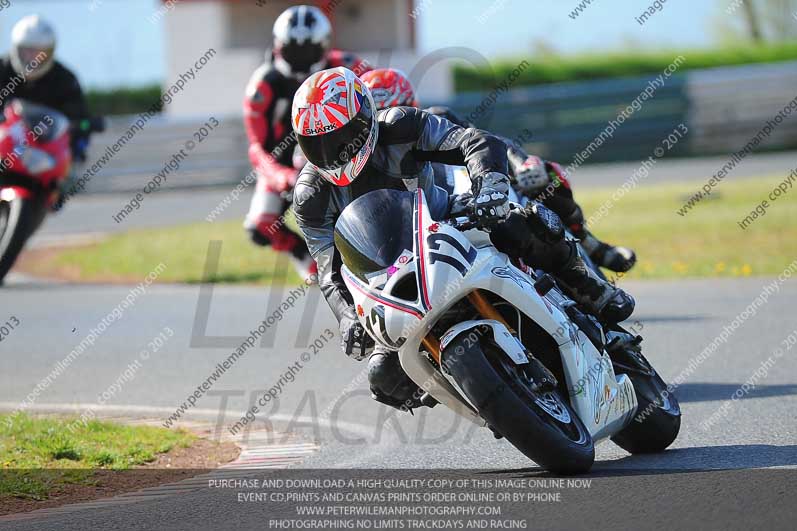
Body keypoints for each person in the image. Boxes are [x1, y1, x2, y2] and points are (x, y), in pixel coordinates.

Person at [291, 67, 635, 410]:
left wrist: (491, 185)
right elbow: (328, 270)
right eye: (316, 144)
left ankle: (589, 286)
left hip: (447, 222)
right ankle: (469, 392)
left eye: (341, 136)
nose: (332, 151)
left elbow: (475, 141)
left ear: (366, 117)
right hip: (386, 277)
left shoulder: (400, 125)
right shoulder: (310, 196)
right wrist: (347, 317)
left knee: (522, 222)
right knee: (383, 376)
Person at [361, 68, 636, 273]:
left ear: (411, 106)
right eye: (381, 116)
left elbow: (488, 140)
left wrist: (521, 162)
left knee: (543, 174)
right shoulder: (366, 162)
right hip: (434, 219)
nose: (391, 126)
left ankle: (589, 243)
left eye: (396, 112)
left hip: (480, 193)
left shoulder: (435, 118)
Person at [242, 4, 371, 278]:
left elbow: (376, 106)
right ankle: (308, 260)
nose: (300, 58)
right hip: (287, 163)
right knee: (260, 225)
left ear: (324, 47)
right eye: (293, 49)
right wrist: (283, 176)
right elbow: (257, 148)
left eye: (307, 50)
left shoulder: (349, 68)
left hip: (342, 152)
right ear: (278, 47)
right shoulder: (262, 86)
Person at [0, 15, 91, 162]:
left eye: (39, 53)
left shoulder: (65, 79)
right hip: (4, 154)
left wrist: (78, 140)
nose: (32, 59)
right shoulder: (2, 70)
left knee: (71, 179)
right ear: (16, 49)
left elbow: (79, 118)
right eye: (27, 51)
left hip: (48, 159)